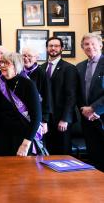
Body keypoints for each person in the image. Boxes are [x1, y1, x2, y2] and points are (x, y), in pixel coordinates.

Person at [0, 52, 42, 156]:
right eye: (2, 63)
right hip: (2, 137)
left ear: (16, 65)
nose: (3, 66)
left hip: (22, 137)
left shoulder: (28, 84)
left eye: (7, 63)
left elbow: (36, 117)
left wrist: (26, 144)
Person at [40, 37, 79, 155]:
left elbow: (71, 96)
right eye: (50, 46)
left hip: (61, 120)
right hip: (46, 119)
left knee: (62, 153)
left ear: (61, 48)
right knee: (46, 152)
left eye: (56, 46)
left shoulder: (69, 68)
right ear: (47, 48)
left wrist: (65, 119)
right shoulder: (41, 68)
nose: (53, 48)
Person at [76, 33, 104, 171]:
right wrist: (85, 110)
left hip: (102, 116)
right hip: (87, 119)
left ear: (100, 45)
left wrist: (95, 109)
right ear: (82, 48)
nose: (90, 46)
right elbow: (77, 92)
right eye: (86, 44)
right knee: (93, 156)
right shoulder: (79, 67)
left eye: (93, 43)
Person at [21, 47, 52, 139]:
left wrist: (44, 120)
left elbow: (47, 97)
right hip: (21, 114)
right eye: (24, 55)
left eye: (29, 56)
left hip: (36, 114)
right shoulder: (18, 71)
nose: (26, 58)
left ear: (36, 58)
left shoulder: (41, 72)